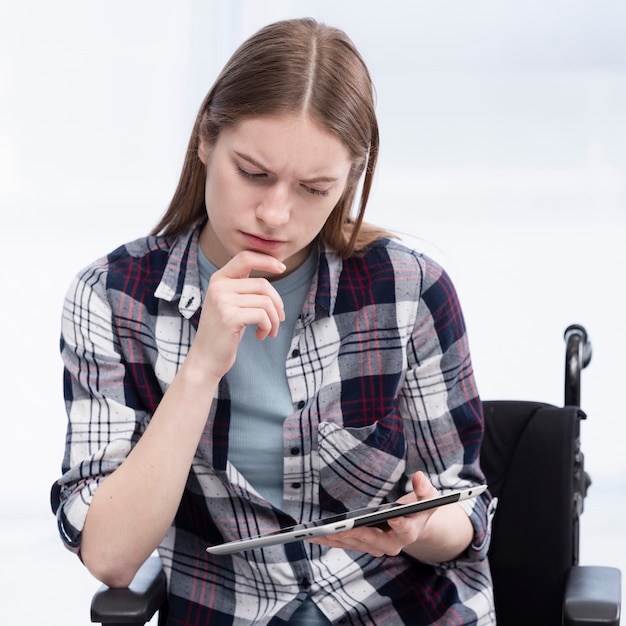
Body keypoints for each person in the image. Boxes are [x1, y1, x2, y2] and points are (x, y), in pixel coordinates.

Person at [51, 17, 496, 626]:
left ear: (348, 183)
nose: (275, 213)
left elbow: (465, 514)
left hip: (399, 610)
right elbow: (111, 557)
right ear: (207, 139)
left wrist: (419, 525)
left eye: (314, 189)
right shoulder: (111, 297)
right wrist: (201, 367)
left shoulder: (411, 291)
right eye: (253, 173)